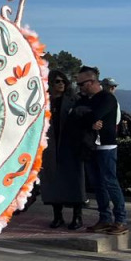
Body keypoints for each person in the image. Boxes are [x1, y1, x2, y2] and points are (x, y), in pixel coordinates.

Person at [75, 66, 127, 235]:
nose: (79, 87)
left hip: (106, 146)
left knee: (110, 182)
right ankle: (105, 218)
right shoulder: (85, 99)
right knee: (97, 184)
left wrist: (86, 116)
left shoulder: (107, 98)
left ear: (91, 82)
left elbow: (93, 115)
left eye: (81, 84)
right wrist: (87, 119)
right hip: (91, 146)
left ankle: (120, 219)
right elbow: (75, 117)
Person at [39, 71, 84, 229]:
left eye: (63, 81)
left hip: (70, 147)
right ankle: (58, 216)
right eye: (57, 81)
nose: (61, 84)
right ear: (50, 84)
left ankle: (77, 217)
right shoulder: (44, 102)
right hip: (51, 147)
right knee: (53, 182)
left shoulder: (73, 101)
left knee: (75, 182)